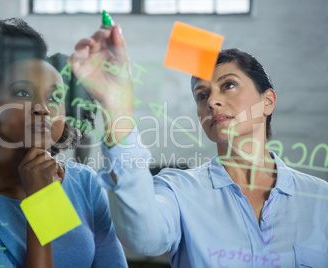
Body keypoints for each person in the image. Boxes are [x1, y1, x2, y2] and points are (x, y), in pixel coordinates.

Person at [69, 26, 328, 267]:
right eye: (202, 96)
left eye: (228, 85)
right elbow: (144, 238)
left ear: (268, 101)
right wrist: (116, 105)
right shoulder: (178, 190)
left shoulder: (320, 200)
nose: (213, 101)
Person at [0, 16, 128, 268]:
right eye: (22, 93)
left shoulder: (85, 183)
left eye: (55, 96)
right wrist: (40, 201)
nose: (42, 108)